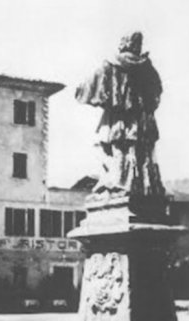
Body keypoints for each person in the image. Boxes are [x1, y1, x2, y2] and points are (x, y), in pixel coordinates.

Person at [75, 32, 164, 198]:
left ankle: (118, 184)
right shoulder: (147, 68)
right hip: (142, 120)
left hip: (118, 119)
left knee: (115, 148)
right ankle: (140, 185)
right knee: (140, 152)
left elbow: (86, 88)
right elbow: (157, 92)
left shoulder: (111, 65)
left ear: (124, 44)